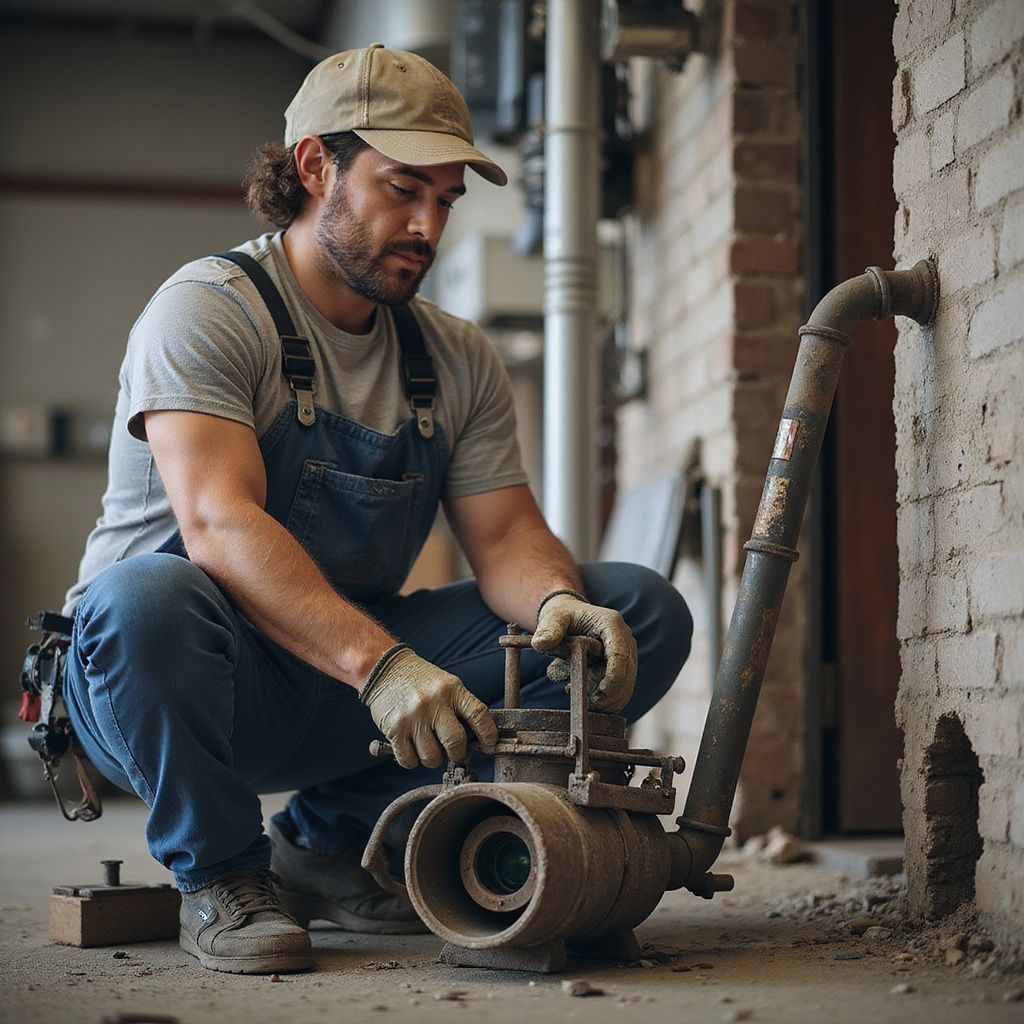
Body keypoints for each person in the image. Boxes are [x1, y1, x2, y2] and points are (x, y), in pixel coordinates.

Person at [62, 43, 692, 975]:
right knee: (145, 595)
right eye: (404, 189)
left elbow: (509, 535)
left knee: (634, 611)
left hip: (336, 678)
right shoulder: (205, 311)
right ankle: (224, 876)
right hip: (171, 682)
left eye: (445, 199)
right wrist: (385, 667)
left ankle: (327, 845)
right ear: (315, 168)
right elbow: (219, 525)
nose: (428, 225)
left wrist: (555, 604)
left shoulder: (454, 357)